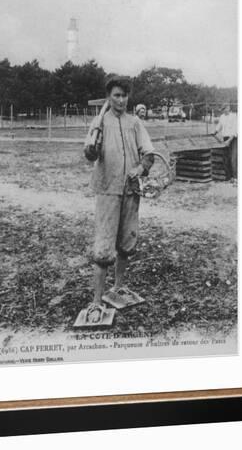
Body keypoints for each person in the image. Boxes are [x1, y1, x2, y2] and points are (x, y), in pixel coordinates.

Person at [82, 76, 155, 323]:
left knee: (126, 242)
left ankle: (118, 287)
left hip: (131, 190)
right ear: (108, 97)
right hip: (107, 189)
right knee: (103, 247)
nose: (121, 100)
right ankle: (95, 302)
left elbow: (149, 153)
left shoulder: (135, 123)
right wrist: (92, 147)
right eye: (116, 95)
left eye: (124, 96)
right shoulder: (100, 121)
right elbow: (89, 155)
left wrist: (141, 168)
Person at [214, 104, 238, 181]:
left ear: (228, 108)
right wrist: (214, 132)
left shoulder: (234, 116)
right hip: (225, 138)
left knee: (233, 158)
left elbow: (235, 131)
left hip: (233, 138)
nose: (224, 110)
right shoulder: (222, 117)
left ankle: (235, 177)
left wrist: (229, 140)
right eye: (223, 109)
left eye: (225, 109)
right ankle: (228, 177)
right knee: (225, 158)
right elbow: (219, 126)